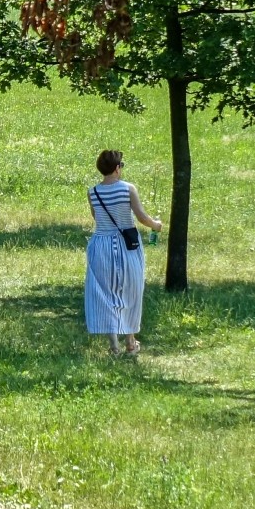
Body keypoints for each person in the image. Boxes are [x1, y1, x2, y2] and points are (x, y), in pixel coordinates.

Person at [86, 148, 162, 355]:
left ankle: (113, 346)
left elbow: (97, 218)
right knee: (130, 290)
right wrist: (156, 225)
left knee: (105, 292)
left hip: (100, 244)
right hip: (126, 244)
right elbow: (141, 217)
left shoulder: (93, 192)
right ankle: (130, 341)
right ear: (117, 168)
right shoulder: (128, 189)